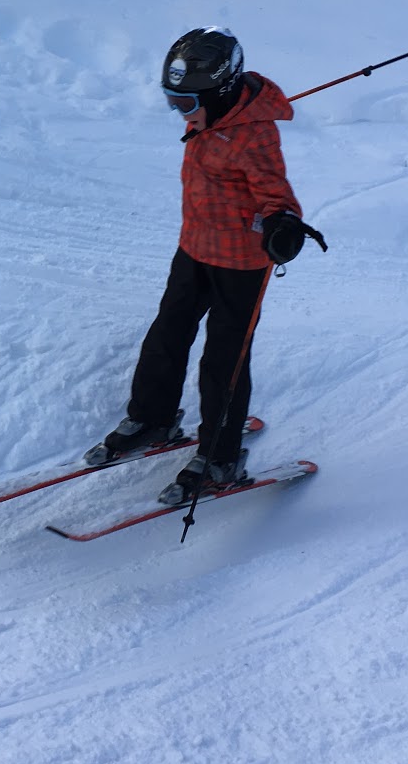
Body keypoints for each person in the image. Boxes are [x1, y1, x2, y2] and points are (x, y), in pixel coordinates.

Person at [83, 27, 324, 506]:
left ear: (220, 92)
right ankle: (152, 417)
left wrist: (282, 223)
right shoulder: (214, 113)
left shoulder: (255, 136)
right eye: (172, 101)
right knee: (167, 334)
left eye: (185, 103)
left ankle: (220, 456)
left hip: (239, 262)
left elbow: (277, 195)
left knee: (224, 360)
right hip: (194, 247)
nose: (179, 112)